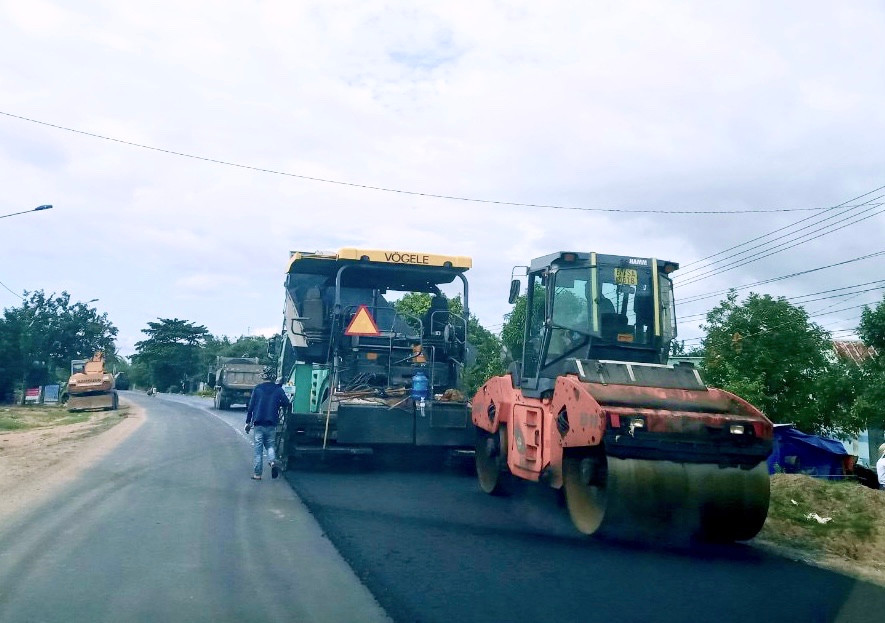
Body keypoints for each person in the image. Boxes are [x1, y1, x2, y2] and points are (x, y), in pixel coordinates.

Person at [245, 366, 289, 480]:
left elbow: (251, 406)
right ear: (273, 376)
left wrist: (247, 422)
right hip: (272, 423)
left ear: (263, 376)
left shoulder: (257, 389)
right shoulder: (278, 389)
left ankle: (257, 474)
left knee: (258, 450)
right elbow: (286, 402)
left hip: (258, 423)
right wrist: (278, 403)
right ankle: (272, 461)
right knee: (270, 445)